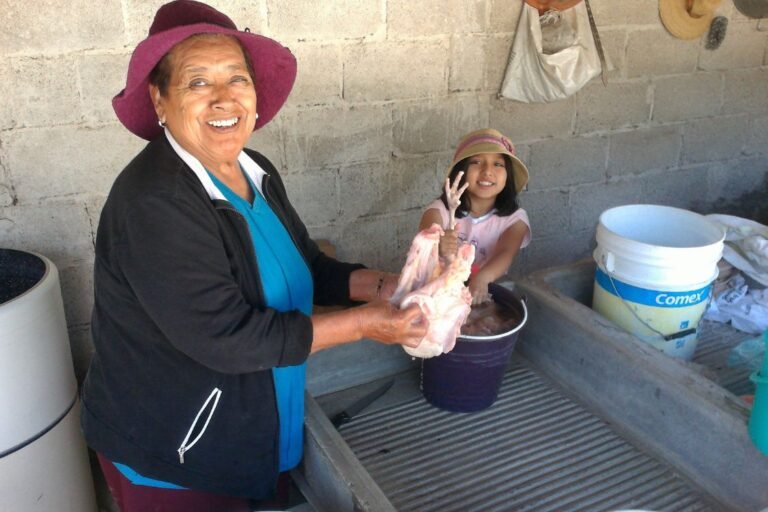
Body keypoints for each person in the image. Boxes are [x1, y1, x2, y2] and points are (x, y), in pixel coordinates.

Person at [79, 1, 427, 510]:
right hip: (179, 447)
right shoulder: (155, 204)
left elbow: (304, 263)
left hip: (252, 416)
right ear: (160, 98)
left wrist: (382, 285)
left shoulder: (252, 167)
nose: (223, 99)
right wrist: (366, 325)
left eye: (236, 79)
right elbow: (228, 339)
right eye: (198, 82)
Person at [419, 128, 532, 304]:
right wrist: (435, 247)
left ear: (508, 175)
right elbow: (423, 249)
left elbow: (505, 252)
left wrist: (482, 278)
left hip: (484, 292)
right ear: (460, 172)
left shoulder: (515, 220)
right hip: (437, 293)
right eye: (476, 162)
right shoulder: (439, 211)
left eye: (498, 164)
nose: (487, 171)